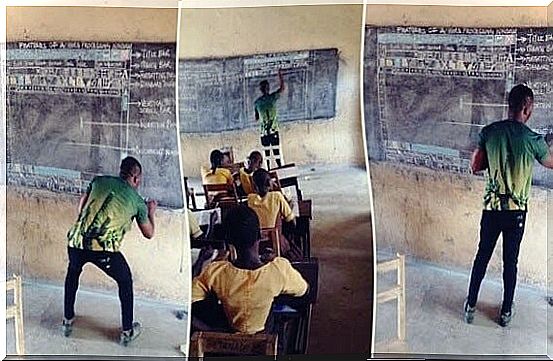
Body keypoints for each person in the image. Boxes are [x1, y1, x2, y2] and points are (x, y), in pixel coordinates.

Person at [464, 84, 553, 327]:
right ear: (526, 107)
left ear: (510, 105)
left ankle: (470, 305)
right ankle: (505, 312)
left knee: (482, 256)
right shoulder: (534, 140)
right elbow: (550, 162)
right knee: (510, 262)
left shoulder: (489, 132)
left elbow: (475, 166)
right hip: (516, 214)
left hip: (491, 209)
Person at [63, 156, 157, 345]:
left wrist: (85, 223)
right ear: (136, 178)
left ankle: (67, 320)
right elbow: (149, 234)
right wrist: (151, 212)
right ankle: (127, 331)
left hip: (76, 241)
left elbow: (81, 205)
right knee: (125, 280)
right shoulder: (138, 201)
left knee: (73, 273)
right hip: (104, 250)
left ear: (120, 172)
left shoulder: (99, 181)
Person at [191, 205, 308, 334]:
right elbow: (304, 289)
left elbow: (188, 299)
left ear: (229, 240)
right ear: (260, 234)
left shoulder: (215, 272)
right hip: (265, 334)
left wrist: (211, 330)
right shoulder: (278, 268)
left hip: (229, 333)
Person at [255, 69, 285, 170]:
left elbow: (256, 118)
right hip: (273, 130)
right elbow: (282, 88)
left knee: (266, 153)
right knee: (276, 152)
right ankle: (280, 169)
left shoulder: (257, 102)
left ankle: (268, 169)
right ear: (268, 88)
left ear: (260, 90)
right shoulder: (272, 98)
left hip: (264, 133)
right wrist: (280, 76)